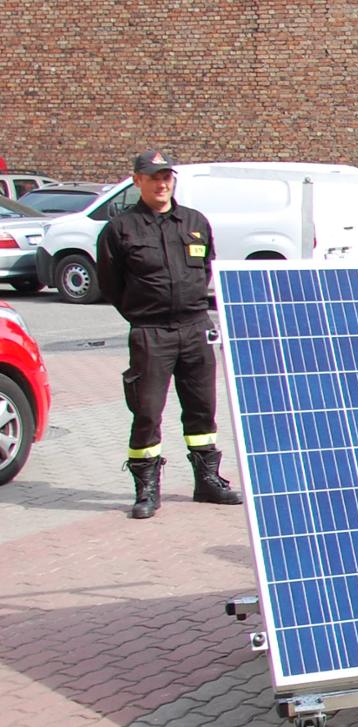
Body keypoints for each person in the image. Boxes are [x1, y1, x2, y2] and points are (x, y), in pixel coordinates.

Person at [95, 150, 245, 519]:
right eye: (153, 177)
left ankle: (207, 480)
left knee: (202, 409)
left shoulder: (193, 222)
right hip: (151, 332)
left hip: (195, 327)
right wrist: (143, 313)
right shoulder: (120, 229)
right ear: (137, 181)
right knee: (146, 412)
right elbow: (111, 285)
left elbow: (207, 269)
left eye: (167, 177)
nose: (162, 183)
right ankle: (147, 489)